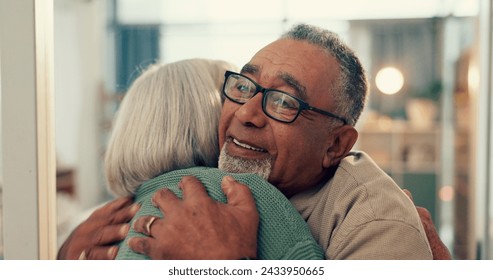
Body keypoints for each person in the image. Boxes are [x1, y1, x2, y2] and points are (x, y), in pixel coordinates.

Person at [57, 24, 452, 260]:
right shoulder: (206, 182)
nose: (247, 113)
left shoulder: (370, 221)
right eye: (244, 87)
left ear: (335, 145)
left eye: (284, 101)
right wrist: (64, 257)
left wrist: (225, 264)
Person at [102, 58, 325, 260]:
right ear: (210, 117)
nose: (245, 112)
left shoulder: (108, 228)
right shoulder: (246, 193)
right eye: (238, 94)